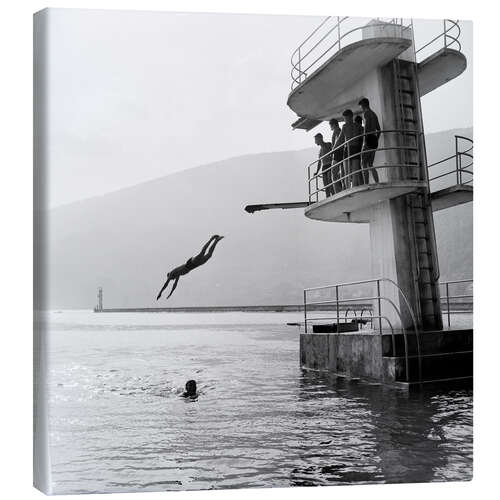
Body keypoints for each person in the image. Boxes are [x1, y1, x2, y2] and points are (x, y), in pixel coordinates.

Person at [156, 235, 224, 300]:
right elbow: (175, 285)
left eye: (171, 279)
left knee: (202, 253)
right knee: (209, 255)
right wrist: (170, 293)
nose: (172, 279)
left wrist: (160, 292)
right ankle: (216, 241)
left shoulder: (171, 273)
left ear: (169, 275)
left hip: (190, 263)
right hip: (194, 266)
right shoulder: (177, 275)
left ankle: (211, 239)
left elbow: (166, 284)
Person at [333, 109, 364, 188]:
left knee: (354, 172)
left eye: (346, 118)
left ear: (351, 117)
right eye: (344, 119)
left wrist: (333, 149)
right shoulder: (348, 126)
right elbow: (340, 139)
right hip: (350, 149)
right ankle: (348, 189)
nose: (345, 120)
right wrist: (333, 149)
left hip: (353, 149)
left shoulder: (355, 126)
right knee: (348, 172)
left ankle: (351, 188)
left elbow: (340, 139)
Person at [359, 97, 381, 183]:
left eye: (361, 106)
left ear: (364, 105)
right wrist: (376, 139)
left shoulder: (366, 113)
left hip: (368, 139)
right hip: (374, 139)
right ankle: (377, 182)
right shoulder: (374, 114)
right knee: (370, 164)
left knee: (363, 163)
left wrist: (364, 141)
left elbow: (366, 128)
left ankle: (366, 184)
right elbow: (379, 130)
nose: (361, 108)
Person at [314, 133, 334, 197]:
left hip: (330, 164)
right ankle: (327, 198)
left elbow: (333, 152)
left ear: (320, 138)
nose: (315, 141)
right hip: (324, 167)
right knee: (326, 186)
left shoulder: (328, 144)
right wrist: (317, 172)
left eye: (316, 139)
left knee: (330, 183)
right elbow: (319, 162)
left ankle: (334, 196)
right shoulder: (320, 151)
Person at [329, 118, 344, 193]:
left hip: (337, 152)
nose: (330, 127)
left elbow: (337, 141)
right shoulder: (339, 130)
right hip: (339, 152)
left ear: (333, 124)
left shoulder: (336, 130)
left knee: (334, 173)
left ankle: (337, 192)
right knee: (341, 172)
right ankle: (341, 189)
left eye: (330, 125)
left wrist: (332, 151)